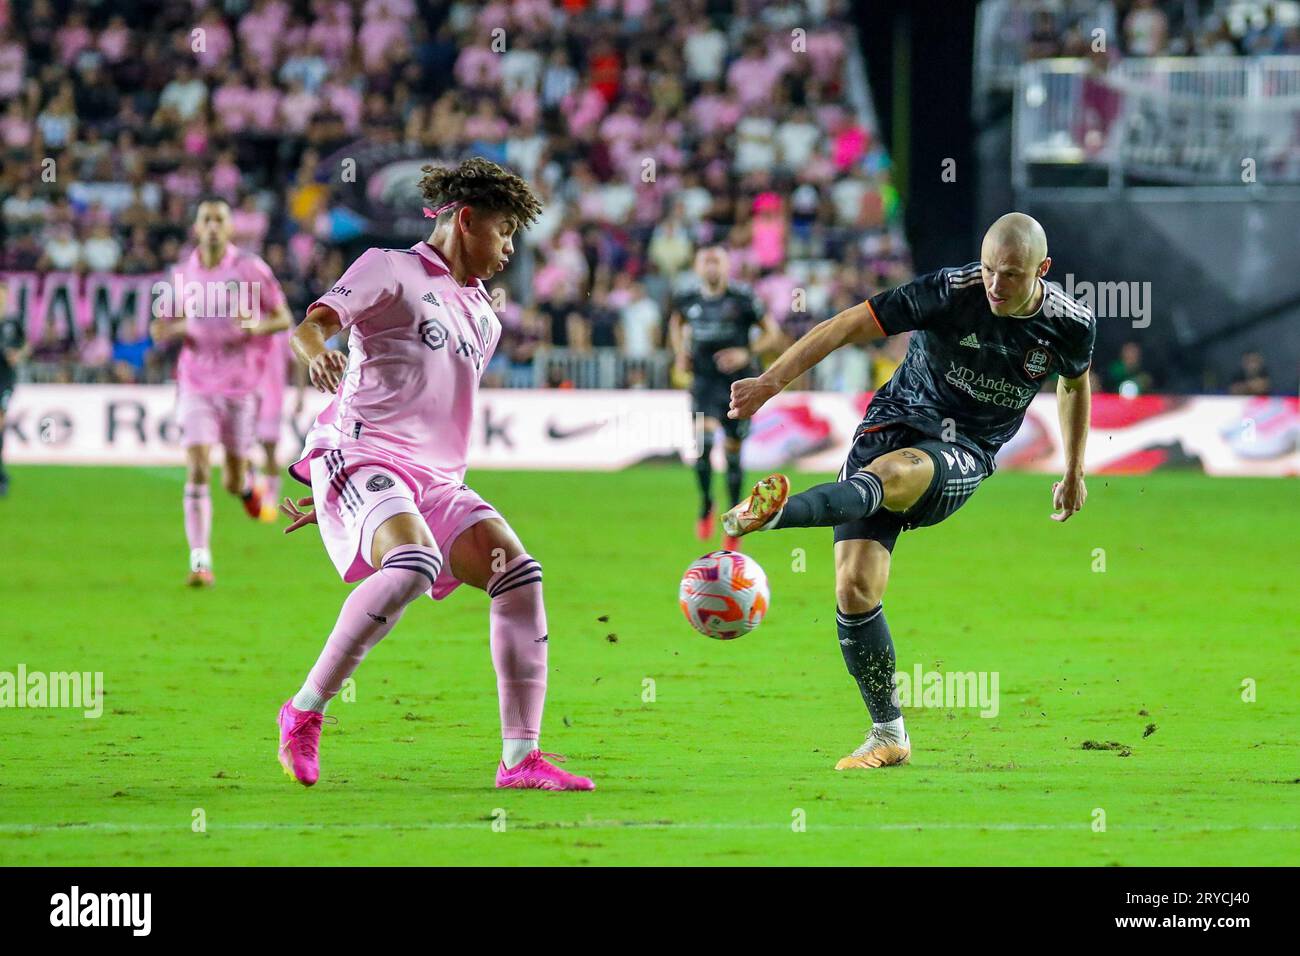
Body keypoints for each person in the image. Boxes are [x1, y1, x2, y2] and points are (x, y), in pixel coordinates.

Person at [722, 213, 1095, 770]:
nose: (994, 285)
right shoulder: (948, 290)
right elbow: (849, 324)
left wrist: (1074, 468)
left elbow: (1073, 384)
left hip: (964, 447)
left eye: (1011, 275)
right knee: (854, 588)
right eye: (990, 269)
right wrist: (770, 382)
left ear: (1042, 269)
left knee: (892, 477)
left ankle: (776, 515)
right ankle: (888, 734)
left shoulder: (1071, 323)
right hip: (891, 420)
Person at [276, 157, 595, 792]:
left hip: (435, 482)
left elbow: (425, 403)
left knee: (520, 576)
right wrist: (320, 360)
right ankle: (304, 712)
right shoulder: (386, 268)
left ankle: (520, 760)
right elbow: (309, 329)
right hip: (363, 453)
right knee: (414, 563)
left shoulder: (487, 316)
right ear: (467, 219)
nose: (508, 250)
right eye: (504, 232)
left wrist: (350, 509)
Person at [150, 199, 291, 586]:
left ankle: (246, 485)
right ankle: (200, 562)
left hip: (239, 386)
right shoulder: (182, 274)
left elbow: (283, 317)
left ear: (229, 228)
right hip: (195, 382)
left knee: (231, 479)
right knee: (196, 466)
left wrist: (256, 325)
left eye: (219, 220)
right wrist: (167, 330)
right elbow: (165, 324)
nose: (212, 226)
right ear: (197, 227)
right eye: (206, 219)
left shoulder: (250, 269)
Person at [669, 246, 782, 550]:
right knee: (703, 447)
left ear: (727, 266)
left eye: (716, 261)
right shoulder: (688, 298)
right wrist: (680, 352)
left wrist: (747, 352)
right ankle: (706, 504)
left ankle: (734, 518)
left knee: (733, 455)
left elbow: (772, 333)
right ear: (696, 266)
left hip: (737, 385)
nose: (711, 267)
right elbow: (676, 323)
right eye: (706, 261)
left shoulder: (743, 299)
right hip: (704, 384)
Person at [0, 280, 31, 498]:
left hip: (4, 380)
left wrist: (18, 355)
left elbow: (26, 344)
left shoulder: (12, 323)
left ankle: (1, 476)